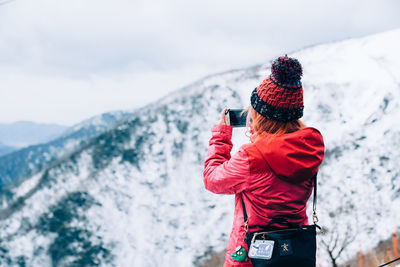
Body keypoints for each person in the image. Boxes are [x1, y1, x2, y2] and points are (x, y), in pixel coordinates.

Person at [203, 56, 325, 267]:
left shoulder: (253, 157)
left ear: (261, 115)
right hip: (294, 253)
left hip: (253, 257)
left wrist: (221, 136)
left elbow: (212, 179)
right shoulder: (309, 147)